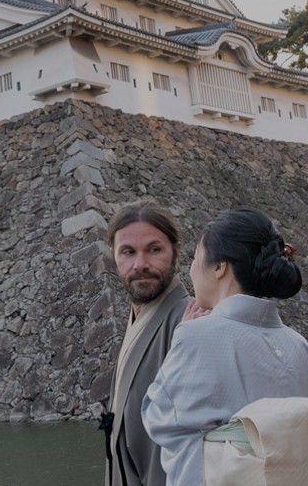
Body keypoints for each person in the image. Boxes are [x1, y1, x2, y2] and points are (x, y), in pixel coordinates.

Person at [142, 208, 308, 486]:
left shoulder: (197, 336)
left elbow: (157, 417)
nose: (192, 269)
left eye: (196, 257)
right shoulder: (299, 346)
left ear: (220, 267)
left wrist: (183, 337)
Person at [103, 202, 202, 486]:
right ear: (114, 257)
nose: (140, 264)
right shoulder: (138, 316)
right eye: (128, 252)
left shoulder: (189, 322)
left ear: (176, 253)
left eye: (154, 249)